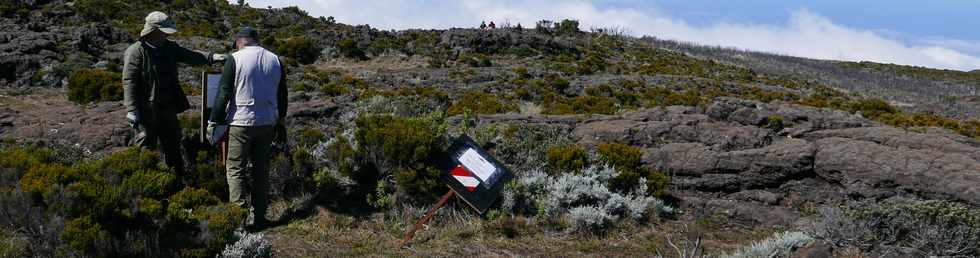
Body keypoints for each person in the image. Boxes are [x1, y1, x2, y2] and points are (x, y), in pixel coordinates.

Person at [123, 11, 226, 181]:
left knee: (173, 146)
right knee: (145, 147)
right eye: (163, 32)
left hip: (168, 108)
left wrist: (211, 57)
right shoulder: (135, 52)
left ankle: (176, 181)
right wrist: (132, 109)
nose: (165, 35)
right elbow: (129, 81)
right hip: (146, 110)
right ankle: (145, 183)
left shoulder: (169, 48)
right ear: (153, 31)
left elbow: (190, 55)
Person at [208, 27, 287, 230]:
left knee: (235, 169)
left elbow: (223, 92)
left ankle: (238, 219)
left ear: (239, 42)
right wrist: (280, 121)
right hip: (267, 122)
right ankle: (259, 217)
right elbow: (282, 95)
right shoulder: (275, 60)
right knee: (261, 171)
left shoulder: (236, 59)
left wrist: (213, 120)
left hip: (241, 122)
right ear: (256, 40)